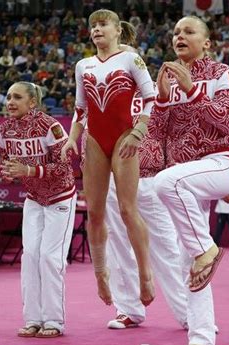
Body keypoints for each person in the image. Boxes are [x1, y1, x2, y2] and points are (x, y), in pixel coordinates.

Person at [61, 9, 156, 307]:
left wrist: (138, 132)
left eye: (103, 25)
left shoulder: (131, 59)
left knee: (128, 210)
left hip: (124, 139)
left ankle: (145, 273)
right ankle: (101, 273)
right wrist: (71, 139)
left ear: (117, 30)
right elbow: (80, 109)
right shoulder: (83, 65)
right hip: (95, 141)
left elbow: (151, 97)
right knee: (95, 213)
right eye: (93, 26)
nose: (97, 30)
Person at [104, 115, 217, 345]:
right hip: (114, 178)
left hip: (151, 178)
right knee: (119, 246)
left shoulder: (157, 95)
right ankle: (128, 309)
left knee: (167, 248)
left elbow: (175, 131)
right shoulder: (108, 90)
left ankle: (190, 314)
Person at [151, 16, 229, 293]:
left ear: (207, 43)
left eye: (189, 32)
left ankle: (209, 249)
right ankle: (200, 330)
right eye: (176, 32)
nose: (180, 36)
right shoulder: (168, 78)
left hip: (217, 163)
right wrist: (162, 99)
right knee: (187, 258)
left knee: (165, 182)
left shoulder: (221, 72)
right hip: (185, 174)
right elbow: (156, 133)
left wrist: (191, 90)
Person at [0, 81, 77, 338]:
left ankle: (53, 321)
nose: (10, 101)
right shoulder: (4, 129)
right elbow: (6, 162)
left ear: (32, 102)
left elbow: (65, 167)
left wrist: (29, 171)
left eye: (17, 97)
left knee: (50, 258)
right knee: (30, 257)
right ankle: (32, 319)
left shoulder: (49, 126)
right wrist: (8, 173)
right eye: (8, 96)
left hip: (60, 198)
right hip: (33, 199)